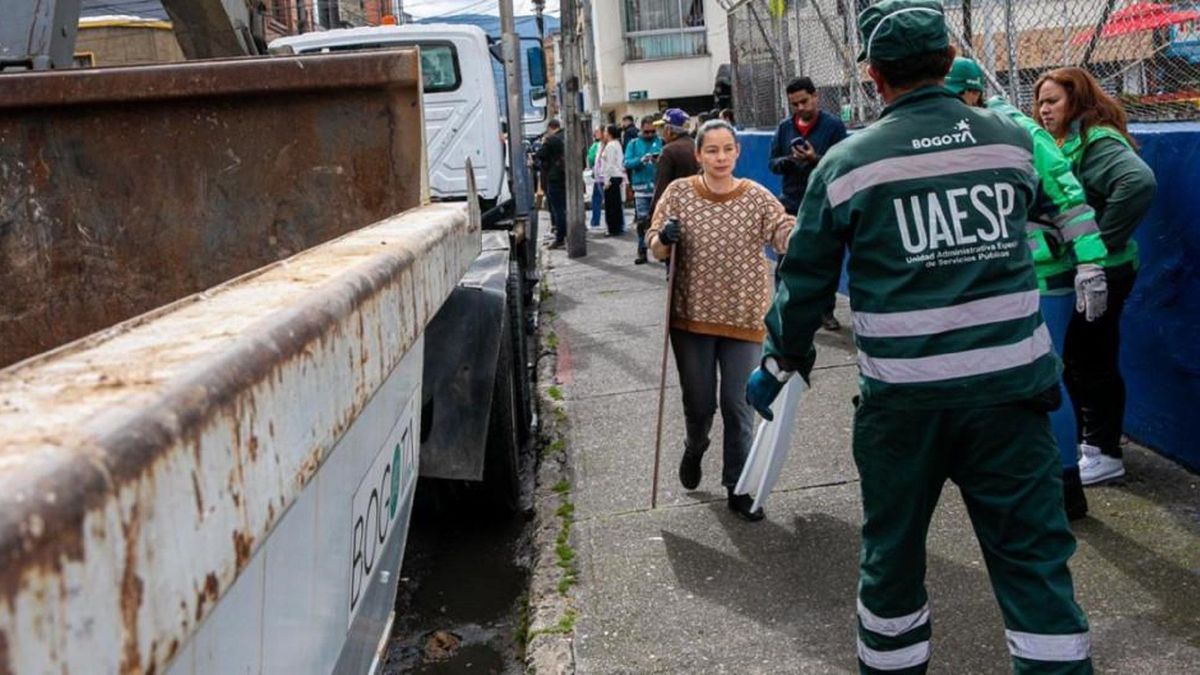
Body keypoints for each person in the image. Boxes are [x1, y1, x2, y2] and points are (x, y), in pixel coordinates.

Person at [746, 2, 1093, 671]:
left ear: (874, 77)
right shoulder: (1011, 141)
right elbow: (1057, 212)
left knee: (893, 562)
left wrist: (780, 359)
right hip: (1010, 399)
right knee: (1034, 564)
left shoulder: (848, 164)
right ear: (947, 63)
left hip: (905, 406)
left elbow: (807, 279)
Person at [646, 119, 793, 521]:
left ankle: (738, 485)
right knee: (700, 405)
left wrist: (797, 236)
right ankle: (695, 447)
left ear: (738, 152)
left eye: (728, 149)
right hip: (691, 319)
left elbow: (781, 230)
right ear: (698, 155)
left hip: (744, 318)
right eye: (712, 150)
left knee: (738, 405)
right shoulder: (678, 194)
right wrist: (665, 238)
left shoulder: (757, 197)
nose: (721, 157)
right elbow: (654, 244)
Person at [1034, 67, 1156, 487]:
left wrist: (1098, 243)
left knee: (1093, 359)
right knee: (1081, 359)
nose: (1043, 109)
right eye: (1040, 102)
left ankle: (1104, 451)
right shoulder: (1064, 140)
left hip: (1106, 269)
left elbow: (1137, 182)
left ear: (1077, 99)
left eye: (1052, 101)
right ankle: (1093, 444)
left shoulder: (1097, 140)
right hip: (1087, 269)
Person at [769, 76, 848, 331]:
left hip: (824, 202)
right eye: (794, 104)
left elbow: (842, 163)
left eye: (804, 101)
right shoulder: (784, 128)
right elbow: (773, 163)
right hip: (791, 202)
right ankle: (783, 309)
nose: (800, 107)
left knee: (825, 259)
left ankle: (826, 311)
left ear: (815, 96)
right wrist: (789, 161)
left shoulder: (833, 126)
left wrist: (815, 159)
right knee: (785, 258)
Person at [625, 115, 664, 264]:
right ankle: (642, 251)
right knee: (642, 222)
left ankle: (660, 250)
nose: (650, 135)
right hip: (641, 189)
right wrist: (640, 160)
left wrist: (658, 160)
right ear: (641, 129)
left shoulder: (660, 142)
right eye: (646, 132)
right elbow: (627, 162)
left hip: (658, 187)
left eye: (652, 131)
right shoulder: (633, 144)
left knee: (660, 222)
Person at [650, 109, 700, 221]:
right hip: (697, 208)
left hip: (674, 213)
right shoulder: (696, 145)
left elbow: (660, 188)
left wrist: (652, 216)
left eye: (663, 128)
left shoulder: (668, 151)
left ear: (669, 130)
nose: (661, 132)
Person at [536, 119, 568, 250]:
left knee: (558, 209)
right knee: (564, 208)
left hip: (554, 177)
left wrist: (544, 143)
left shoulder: (551, 140)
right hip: (566, 176)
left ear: (550, 128)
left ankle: (560, 237)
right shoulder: (567, 137)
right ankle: (565, 233)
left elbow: (540, 155)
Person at [599, 124, 627, 236]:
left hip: (611, 177)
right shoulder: (617, 144)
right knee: (616, 204)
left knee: (611, 205)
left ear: (609, 133)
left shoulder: (610, 146)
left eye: (605, 131)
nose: (604, 133)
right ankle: (617, 227)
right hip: (617, 176)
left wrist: (606, 181)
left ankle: (612, 228)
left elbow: (609, 165)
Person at [588, 127, 605, 230]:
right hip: (601, 175)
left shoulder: (596, 145)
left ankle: (595, 221)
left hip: (600, 176)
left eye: (597, 132)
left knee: (596, 199)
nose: (595, 133)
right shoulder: (601, 144)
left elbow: (591, 158)